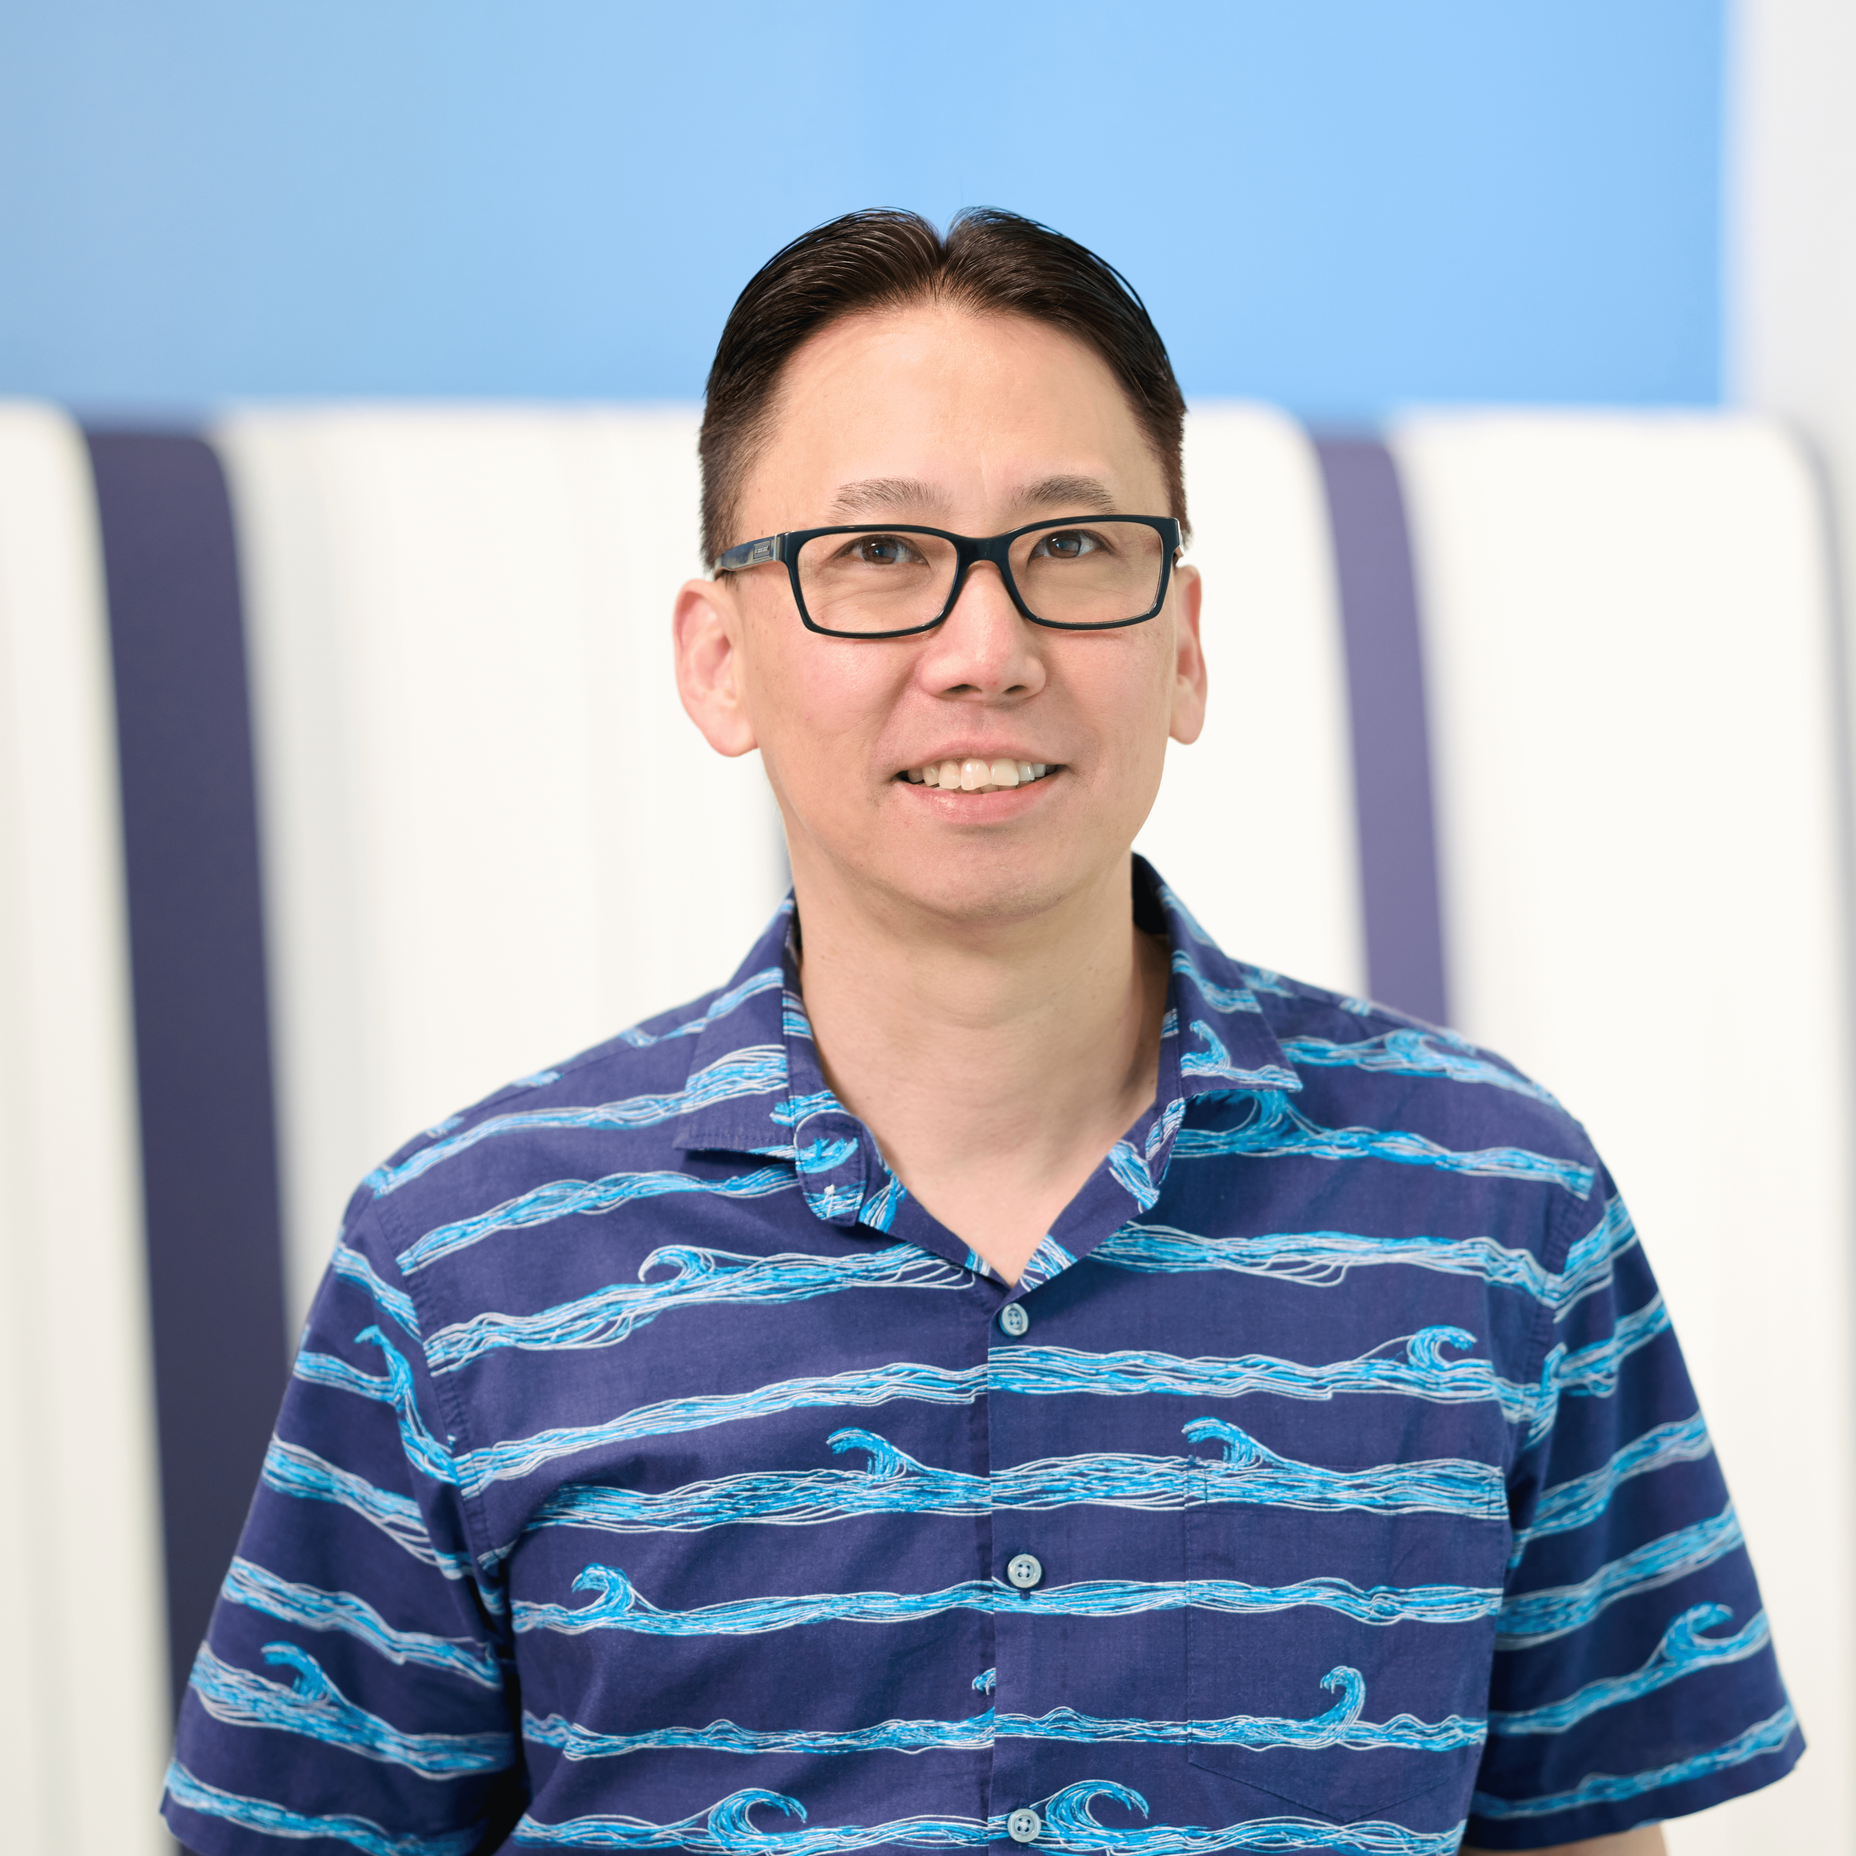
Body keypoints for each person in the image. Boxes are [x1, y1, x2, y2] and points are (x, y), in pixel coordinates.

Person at [162, 208, 1800, 1856]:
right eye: (877, 556)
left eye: (1075, 547)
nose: (987, 651)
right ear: (717, 658)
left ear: (1186, 643)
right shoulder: (465, 1265)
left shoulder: (1501, 1207)